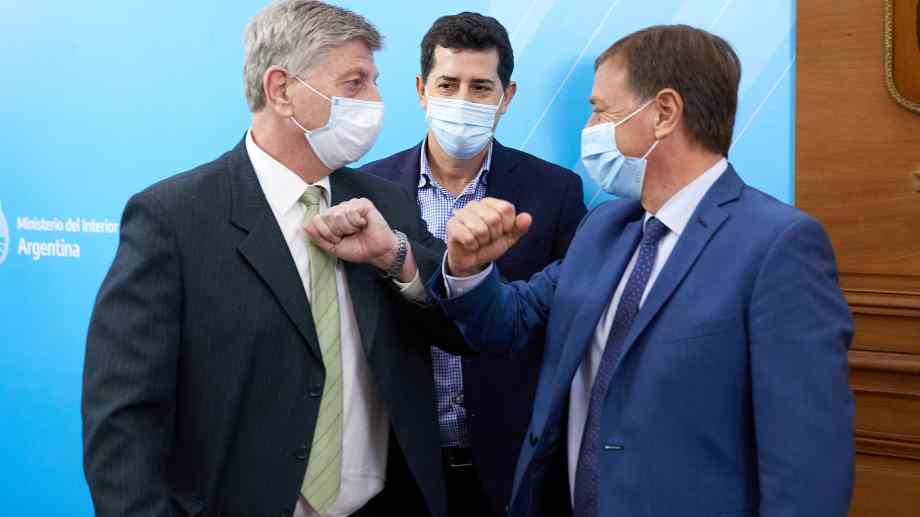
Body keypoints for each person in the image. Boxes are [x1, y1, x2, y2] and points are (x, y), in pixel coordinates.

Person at [429, 25, 854, 517]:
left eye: (601, 111)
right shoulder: (604, 229)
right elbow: (513, 321)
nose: (590, 128)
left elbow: (807, 467)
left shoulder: (778, 245)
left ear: (664, 113)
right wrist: (470, 268)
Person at [82, 2, 465, 516]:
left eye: (374, 82)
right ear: (281, 89)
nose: (374, 101)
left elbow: (458, 328)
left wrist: (397, 258)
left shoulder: (387, 203)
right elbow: (122, 421)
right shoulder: (172, 218)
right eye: (354, 83)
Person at [360, 12, 585, 516]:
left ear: (507, 97)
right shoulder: (369, 191)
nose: (462, 101)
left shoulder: (554, 193)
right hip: (399, 464)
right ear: (421, 90)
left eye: (481, 87)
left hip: (511, 462)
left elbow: (564, 323)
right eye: (448, 84)